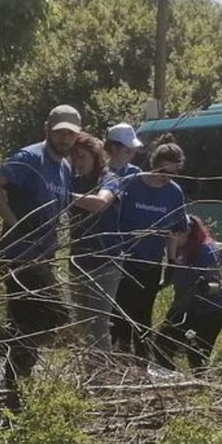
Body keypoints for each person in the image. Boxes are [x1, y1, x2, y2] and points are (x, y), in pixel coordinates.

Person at [0, 106, 111, 392]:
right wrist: (14, 223)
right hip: (19, 254)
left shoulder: (62, 166)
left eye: (70, 134)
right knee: (55, 316)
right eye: (59, 132)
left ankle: (7, 374)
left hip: (42, 255)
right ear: (47, 128)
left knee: (28, 321)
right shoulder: (30, 158)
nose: (64, 139)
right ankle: (4, 368)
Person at [112, 134, 189, 360]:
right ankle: (119, 355)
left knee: (143, 313)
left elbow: (175, 229)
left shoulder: (174, 193)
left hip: (151, 262)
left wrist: (172, 261)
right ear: (154, 165)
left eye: (172, 174)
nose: (166, 177)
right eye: (163, 172)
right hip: (126, 259)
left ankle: (142, 360)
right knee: (121, 312)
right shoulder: (132, 183)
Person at [67, 133, 123, 350]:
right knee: (81, 324)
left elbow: (101, 203)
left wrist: (65, 195)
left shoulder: (109, 179)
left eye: (81, 157)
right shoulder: (72, 180)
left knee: (98, 325)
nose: (77, 163)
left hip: (106, 262)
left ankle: (101, 377)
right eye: (73, 157)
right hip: (78, 260)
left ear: (95, 156)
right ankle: (86, 373)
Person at [153, 215, 222, 372]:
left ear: (189, 233)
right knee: (161, 347)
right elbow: (169, 278)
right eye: (172, 233)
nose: (174, 237)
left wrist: (204, 285)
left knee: (196, 356)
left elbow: (215, 285)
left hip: (209, 310)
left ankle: (201, 387)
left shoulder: (205, 251)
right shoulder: (173, 250)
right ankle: (170, 381)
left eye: (178, 233)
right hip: (183, 306)